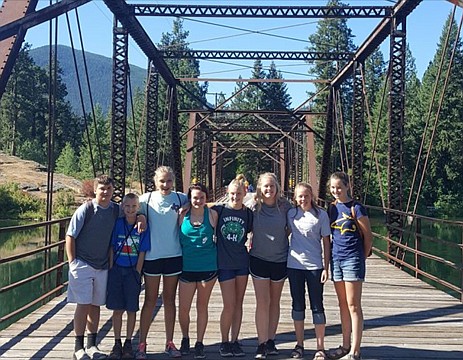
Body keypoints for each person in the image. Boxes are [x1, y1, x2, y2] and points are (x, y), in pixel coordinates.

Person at [65, 175, 120, 360]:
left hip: (102, 265)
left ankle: (92, 345)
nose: (105, 192)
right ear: (95, 190)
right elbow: (70, 236)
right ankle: (78, 348)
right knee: (83, 304)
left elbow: (132, 212)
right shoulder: (86, 209)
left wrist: (142, 217)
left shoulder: (115, 210)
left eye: (109, 189)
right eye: (102, 188)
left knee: (96, 305)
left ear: (113, 191)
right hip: (83, 263)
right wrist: (72, 262)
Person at [136, 166, 188, 359]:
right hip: (152, 256)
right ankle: (142, 343)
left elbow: (198, 203)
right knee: (149, 300)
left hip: (174, 255)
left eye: (168, 181)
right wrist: (140, 216)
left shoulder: (181, 198)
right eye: (162, 181)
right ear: (155, 181)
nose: (165, 185)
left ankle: (169, 342)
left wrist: (188, 207)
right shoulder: (146, 199)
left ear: (173, 181)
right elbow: (130, 210)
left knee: (169, 300)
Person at [326, 172, 373, 360]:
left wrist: (362, 255)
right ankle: (345, 345)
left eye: (338, 187)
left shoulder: (357, 208)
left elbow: (368, 235)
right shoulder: (332, 208)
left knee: (354, 305)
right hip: (336, 259)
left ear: (347, 186)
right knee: (343, 304)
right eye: (332, 187)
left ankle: (355, 350)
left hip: (352, 259)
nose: (335, 191)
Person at [246, 172, 292, 359]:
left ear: (277, 188)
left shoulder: (285, 206)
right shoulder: (253, 206)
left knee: (275, 301)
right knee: (262, 302)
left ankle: (271, 340)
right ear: (259, 188)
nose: (269, 189)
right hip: (259, 259)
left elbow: (294, 225)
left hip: (280, 259)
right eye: (265, 186)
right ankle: (261, 343)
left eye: (272, 186)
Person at [287, 183, 331, 360]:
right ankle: (300, 344)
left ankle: (320, 347)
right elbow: (282, 232)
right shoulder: (291, 214)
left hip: (314, 266)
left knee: (317, 305)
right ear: (295, 198)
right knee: (297, 305)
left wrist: (326, 268)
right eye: (300, 196)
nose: (303, 199)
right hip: (294, 266)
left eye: (306, 196)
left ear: (311, 196)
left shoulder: (321, 215)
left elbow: (327, 243)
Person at [213, 175, 253, 358]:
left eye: (238, 194)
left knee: (238, 303)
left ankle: (235, 340)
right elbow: (198, 206)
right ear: (227, 194)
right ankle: (224, 341)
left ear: (245, 193)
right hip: (225, 263)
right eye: (232, 194)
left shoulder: (248, 213)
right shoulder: (219, 210)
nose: (235, 197)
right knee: (229, 304)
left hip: (242, 263)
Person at [107, 193, 151, 360]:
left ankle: (128, 342)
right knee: (117, 309)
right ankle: (117, 342)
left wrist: (137, 272)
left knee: (131, 308)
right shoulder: (118, 224)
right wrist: (111, 268)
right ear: (122, 207)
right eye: (127, 206)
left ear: (138, 207)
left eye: (134, 206)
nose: (130, 209)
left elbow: (142, 251)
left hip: (132, 271)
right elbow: (111, 247)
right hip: (117, 269)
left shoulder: (142, 227)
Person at [178, 183, 219, 359]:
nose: (198, 200)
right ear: (190, 198)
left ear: (206, 199)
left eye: (202, 197)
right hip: (186, 267)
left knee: (202, 307)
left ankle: (200, 342)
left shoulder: (212, 215)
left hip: (207, 267)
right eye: (195, 197)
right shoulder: (181, 215)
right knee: (184, 308)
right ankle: (185, 338)